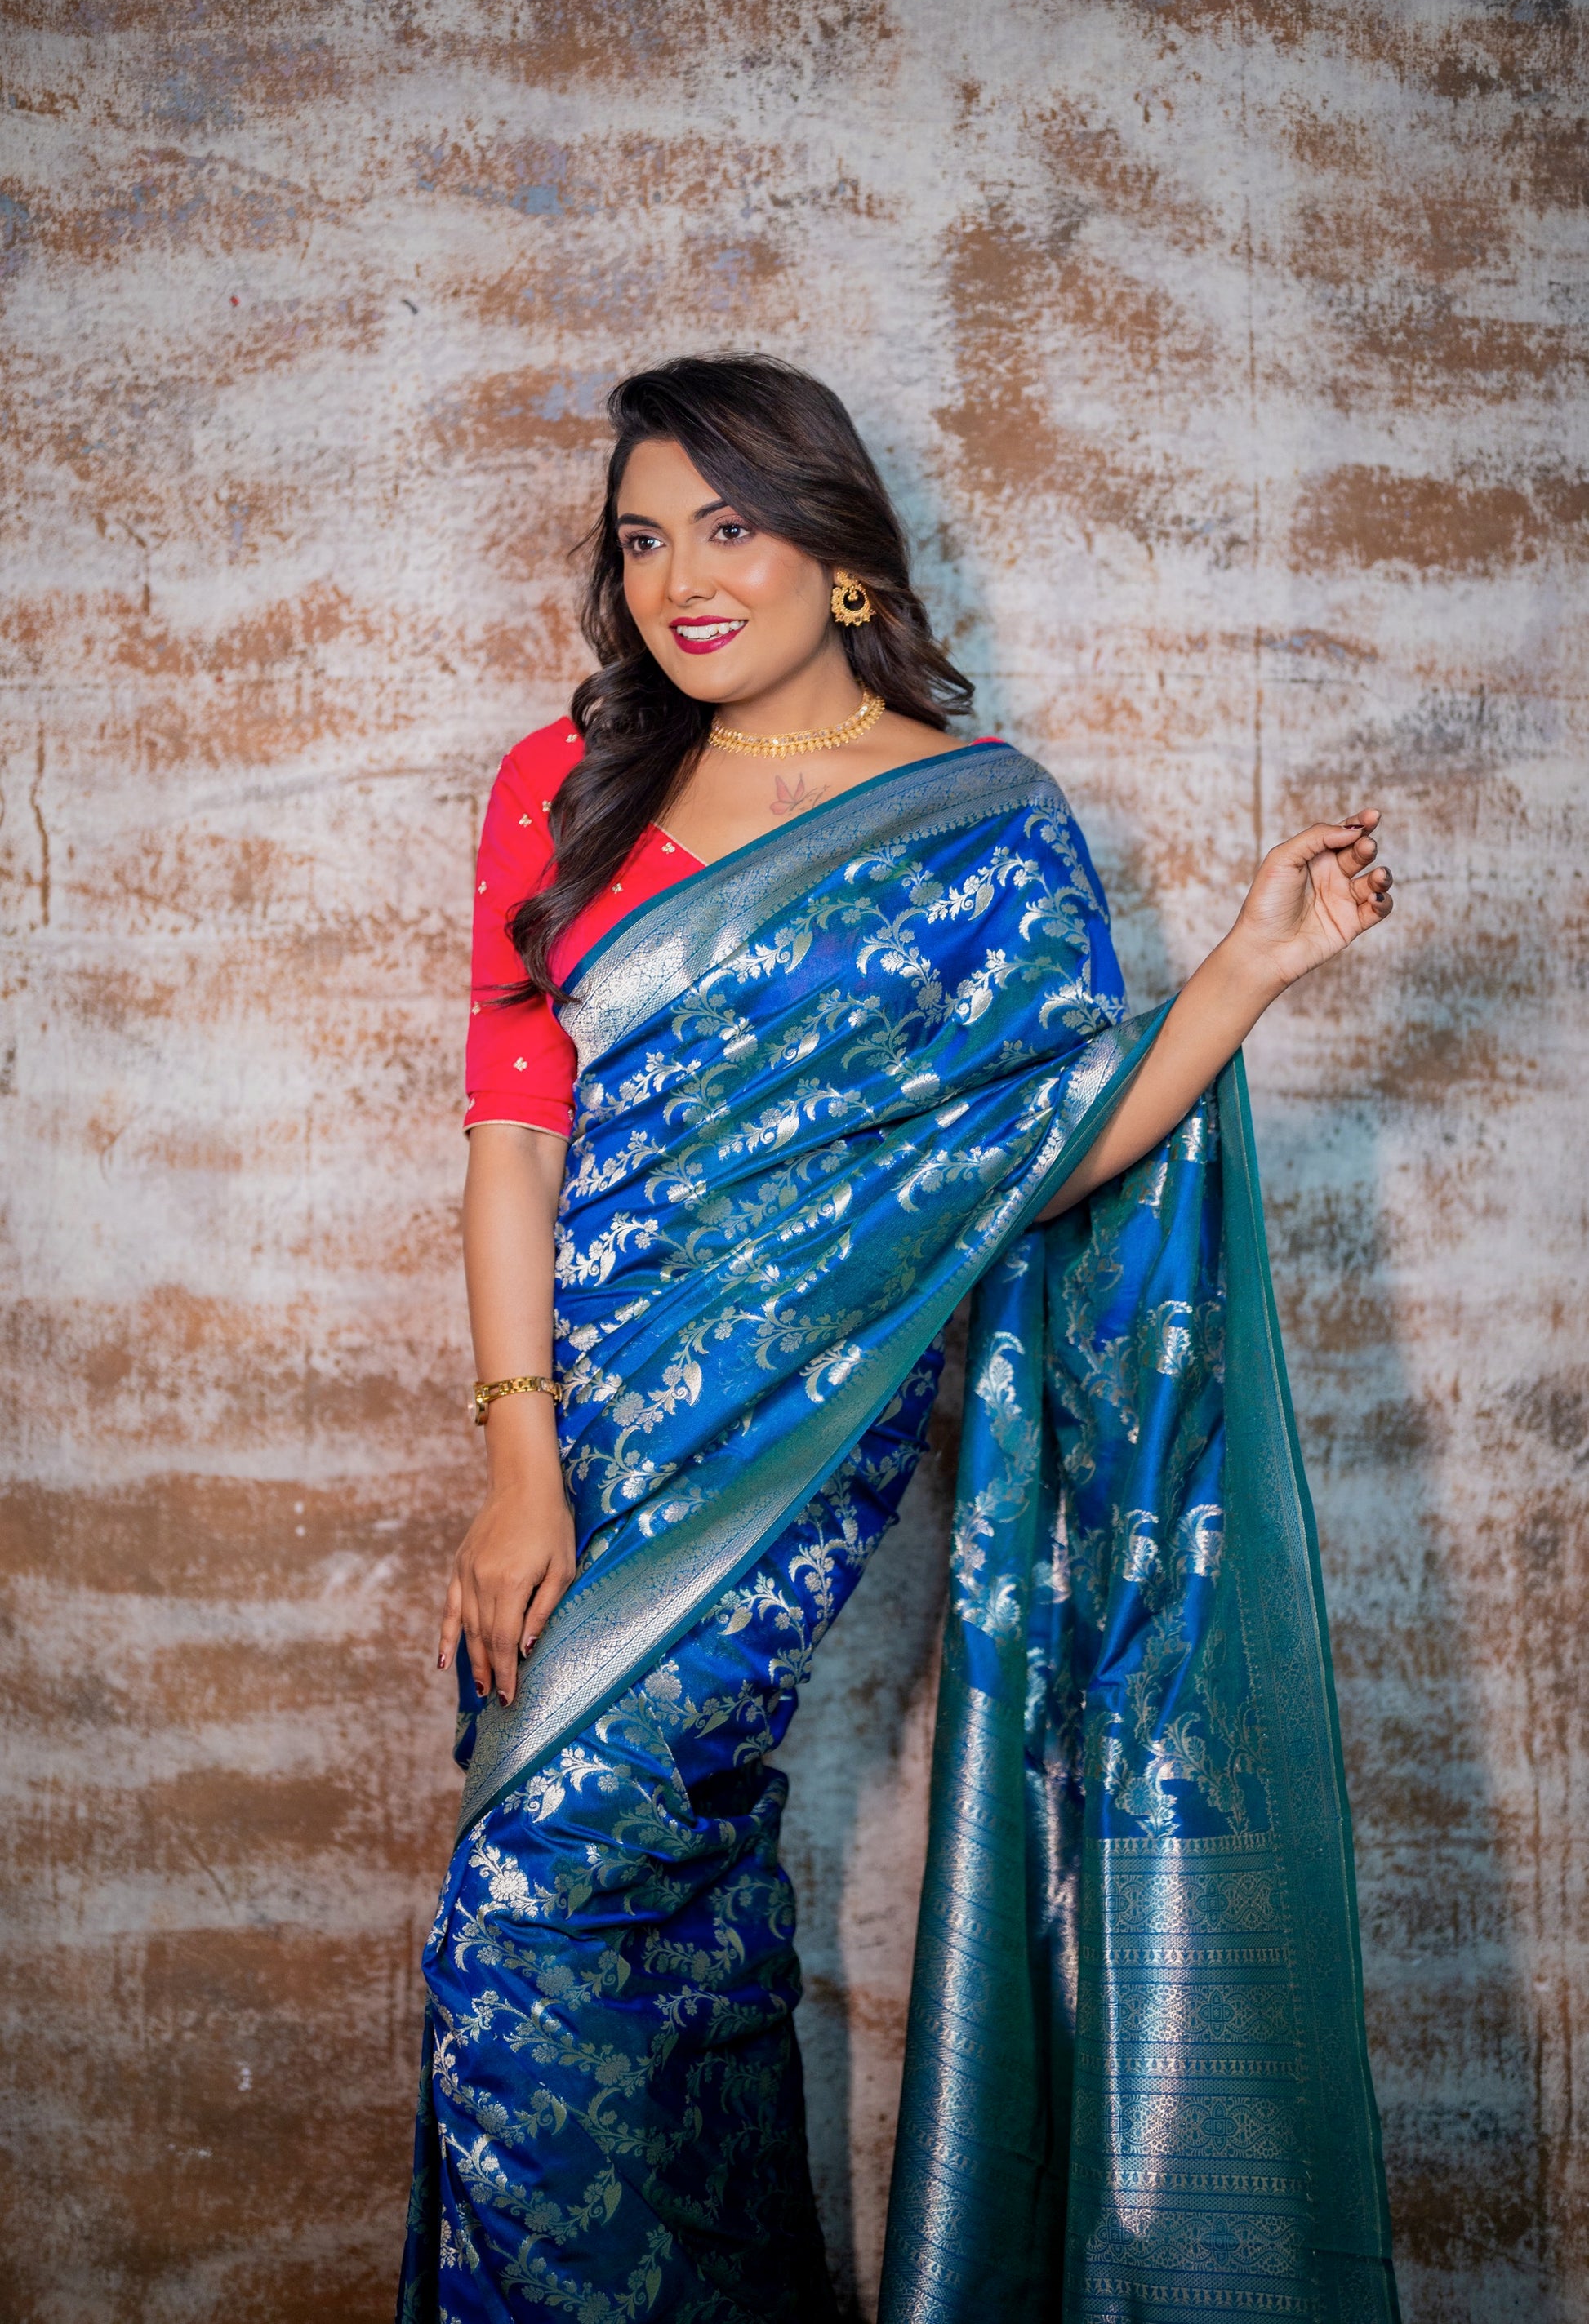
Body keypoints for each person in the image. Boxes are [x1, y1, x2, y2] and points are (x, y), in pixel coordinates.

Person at [398, 354, 1400, 2324]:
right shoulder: (569, 776)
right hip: (577, 1435)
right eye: (643, 536)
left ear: (837, 553)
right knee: (658, 1925)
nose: (684, 575)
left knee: (534, 1923)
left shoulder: (975, 819)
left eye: (730, 525)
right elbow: (512, 1141)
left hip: (799, 1434)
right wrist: (519, 1462)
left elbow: (1045, 1146)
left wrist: (1244, 972)